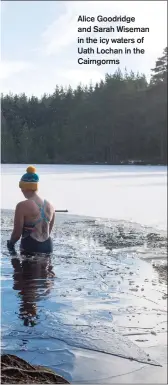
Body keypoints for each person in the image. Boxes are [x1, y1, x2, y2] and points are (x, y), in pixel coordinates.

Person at [7, 166, 55, 255]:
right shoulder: (50, 205)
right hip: (48, 245)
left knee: (24, 269)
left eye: (21, 187)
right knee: (46, 268)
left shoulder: (22, 206)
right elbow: (49, 230)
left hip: (31, 245)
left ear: (24, 187)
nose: (21, 190)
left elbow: (17, 233)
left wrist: (10, 244)